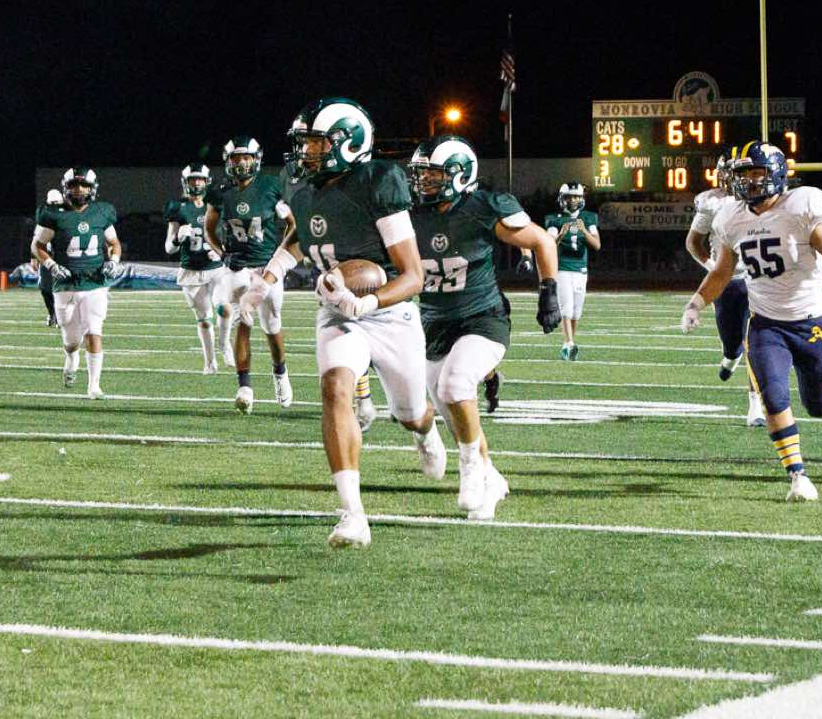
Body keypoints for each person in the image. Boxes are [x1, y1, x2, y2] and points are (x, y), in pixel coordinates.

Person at [241, 98, 445, 548]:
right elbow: (299, 238)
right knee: (335, 388)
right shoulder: (304, 190)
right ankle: (353, 514)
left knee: (411, 414)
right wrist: (265, 281)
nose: (306, 152)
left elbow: (413, 275)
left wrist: (367, 302)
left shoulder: (378, 182)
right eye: (305, 144)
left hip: (390, 312)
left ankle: (427, 431)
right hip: (336, 309)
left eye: (316, 143)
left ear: (347, 142)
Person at [682, 140, 822, 502]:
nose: (749, 181)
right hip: (766, 324)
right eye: (743, 174)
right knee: (773, 396)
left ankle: (806, 437)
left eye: (757, 172)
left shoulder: (801, 208)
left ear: (777, 173)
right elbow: (722, 271)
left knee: (818, 406)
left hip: (810, 323)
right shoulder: (731, 217)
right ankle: (797, 475)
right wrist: (696, 303)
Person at [408, 135, 558, 519]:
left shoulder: (481, 207)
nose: (423, 182)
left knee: (455, 385)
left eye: (433, 174)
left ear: (460, 174)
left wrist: (549, 292)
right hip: (434, 323)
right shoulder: (410, 215)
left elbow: (542, 240)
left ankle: (471, 470)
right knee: (454, 413)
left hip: (483, 318)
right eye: (421, 174)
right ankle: (491, 479)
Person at [203, 136, 295, 412]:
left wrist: (279, 257)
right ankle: (244, 386)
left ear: (256, 159)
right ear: (227, 161)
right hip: (237, 267)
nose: (241, 163)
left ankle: (280, 372)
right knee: (243, 319)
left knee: (272, 326)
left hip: (266, 268)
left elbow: (292, 225)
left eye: (246, 157)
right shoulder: (220, 192)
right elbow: (209, 229)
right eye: (236, 158)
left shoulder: (270, 187)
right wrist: (222, 254)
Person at [686, 150, 767, 426]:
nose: (742, 180)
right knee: (733, 343)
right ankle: (730, 358)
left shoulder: (765, 199)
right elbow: (693, 242)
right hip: (727, 282)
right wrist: (713, 268)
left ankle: (755, 406)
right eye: (736, 174)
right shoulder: (713, 203)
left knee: (754, 342)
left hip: (757, 280)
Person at [34, 168, 120, 397]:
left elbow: (114, 243)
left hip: (95, 282)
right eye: (74, 185)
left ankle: (94, 386)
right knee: (71, 341)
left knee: (94, 331)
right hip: (65, 284)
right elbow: (38, 246)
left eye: (84, 185)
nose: (79, 190)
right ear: (66, 188)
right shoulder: (53, 214)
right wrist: (52, 265)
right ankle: (71, 358)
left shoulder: (101, 212)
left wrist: (114, 260)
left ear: (92, 188)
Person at [164, 164, 227, 373]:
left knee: (224, 307)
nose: (197, 183)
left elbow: (229, 233)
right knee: (205, 319)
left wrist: (222, 250)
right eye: (192, 179)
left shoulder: (216, 204)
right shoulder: (178, 208)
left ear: (207, 182)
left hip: (216, 268)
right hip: (192, 270)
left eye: (200, 179)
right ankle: (210, 362)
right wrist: (177, 238)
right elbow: (169, 248)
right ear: (186, 182)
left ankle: (225, 345)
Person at [543, 183, 599, 359]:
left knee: (576, 311)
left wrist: (584, 231)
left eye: (576, 196)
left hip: (580, 269)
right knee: (566, 307)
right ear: (562, 199)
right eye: (569, 197)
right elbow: (549, 245)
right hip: (562, 268)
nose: (573, 200)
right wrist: (561, 234)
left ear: (581, 198)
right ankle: (569, 343)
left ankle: (568, 345)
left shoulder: (588, 218)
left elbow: (597, 245)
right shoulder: (554, 219)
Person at [35, 188, 64, 328]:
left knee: (61, 288)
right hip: (46, 257)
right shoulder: (43, 216)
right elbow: (37, 238)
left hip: (62, 257)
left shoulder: (67, 216)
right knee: (45, 288)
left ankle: (60, 316)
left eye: (57, 204)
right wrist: (34, 257)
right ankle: (52, 313)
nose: (55, 207)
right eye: (53, 204)